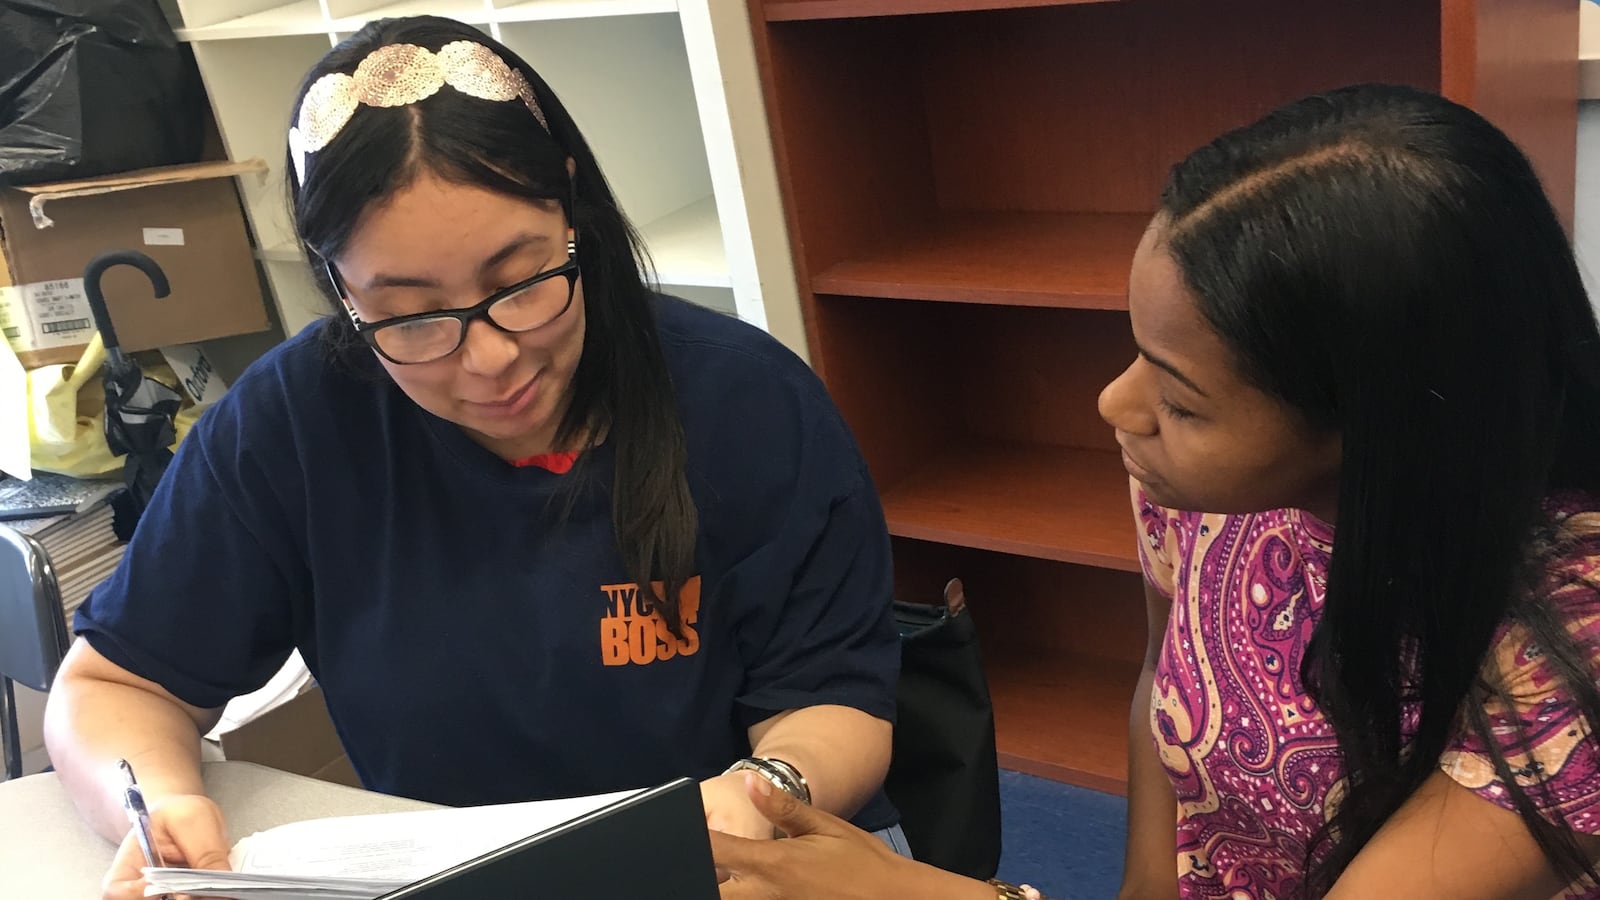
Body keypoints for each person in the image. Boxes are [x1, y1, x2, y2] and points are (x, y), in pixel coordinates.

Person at [43, 16, 906, 900]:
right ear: (340, 286)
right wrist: (155, 810)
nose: (489, 360)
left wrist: (770, 793)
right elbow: (117, 682)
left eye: (521, 282)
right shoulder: (289, 426)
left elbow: (839, 696)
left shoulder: (748, 403)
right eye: (410, 314)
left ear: (571, 211)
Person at [709, 83, 1600, 899]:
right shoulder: (1197, 489)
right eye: (1138, 352)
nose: (1116, 404)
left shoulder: (1572, 632)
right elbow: (1160, 673)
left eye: (1179, 399)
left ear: (1375, 426)